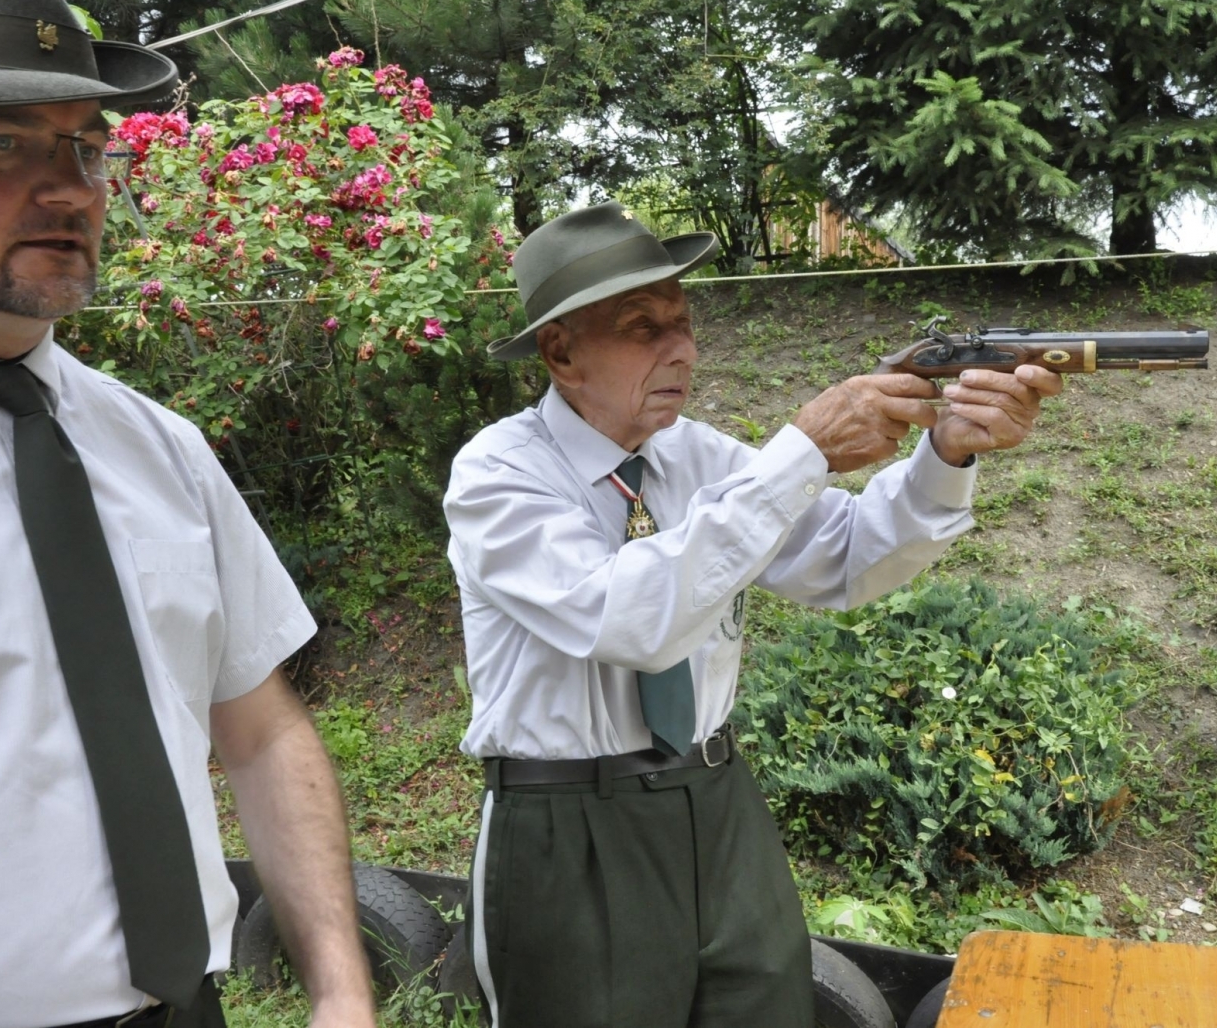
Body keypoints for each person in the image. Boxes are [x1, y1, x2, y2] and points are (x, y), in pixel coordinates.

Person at [443, 200, 1063, 1027]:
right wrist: (799, 455)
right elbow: (633, 620)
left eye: (683, 321)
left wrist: (947, 451)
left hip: (718, 801)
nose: (682, 349)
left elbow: (848, 560)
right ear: (560, 352)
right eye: (642, 327)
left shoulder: (696, 456)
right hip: (570, 828)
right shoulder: (499, 474)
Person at [0, 0, 375, 1026]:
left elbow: (259, 729)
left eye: (88, 145)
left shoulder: (158, 448)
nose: (70, 188)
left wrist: (344, 994)